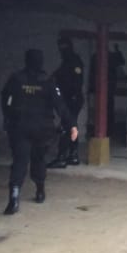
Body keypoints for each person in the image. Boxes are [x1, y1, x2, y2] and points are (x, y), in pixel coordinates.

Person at [1, 49, 78, 215]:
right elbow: (60, 105)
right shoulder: (48, 81)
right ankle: (40, 190)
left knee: (19, 161)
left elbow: (5, 98)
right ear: (41, 62)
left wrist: (8, 117)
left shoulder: (16, 79)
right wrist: (72, 124)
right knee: (39, 159)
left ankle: (14, 198)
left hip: (20, 127)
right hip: (42, 128)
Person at [48, 37, 85, 169]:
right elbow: (57, 75)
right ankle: (73, 155)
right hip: (70, 98)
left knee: (66, 126)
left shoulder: (74, 61)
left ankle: (62, 158)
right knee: (71, 126)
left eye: (63, 47)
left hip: (72, 99)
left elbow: (77, 82)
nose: (62, 50)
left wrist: (71, 96)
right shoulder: (67, 61)